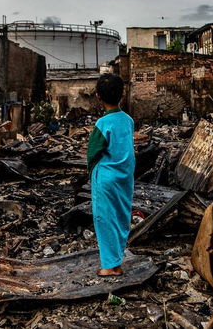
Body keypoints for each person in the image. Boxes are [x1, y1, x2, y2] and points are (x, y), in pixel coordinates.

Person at [87, 73, 136, 276]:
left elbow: (93, 153)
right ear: (122, 94)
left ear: (98, 96)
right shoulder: (129, 120)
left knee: (105, 219)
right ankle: (117, 260)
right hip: (125, 177)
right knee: (122, 217)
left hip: (106, 178)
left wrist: (93, 174)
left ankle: (110, 267)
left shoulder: (101, 124)